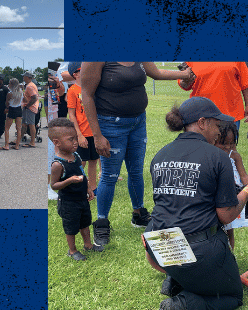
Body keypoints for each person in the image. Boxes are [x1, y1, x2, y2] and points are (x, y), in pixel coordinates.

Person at [144, 97, 248, 310]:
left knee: (196, 274)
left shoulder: (160, 155)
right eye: (216, 125)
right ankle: (181, 305)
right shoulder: (217, 157)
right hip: (198, 249)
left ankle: (177, 279)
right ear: (202, 122)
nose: (217, 131)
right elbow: (226, 215)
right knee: (232, 296)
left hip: (158, 243)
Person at [77, 62, 195, 247]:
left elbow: (156, 72)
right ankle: (101, 223)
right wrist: (97, 136)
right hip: (110, 123)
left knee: (136, 171)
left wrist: (185, 74)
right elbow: (87, 95)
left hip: (138, 122)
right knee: (109, 175)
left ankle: (138, 214)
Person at [48, 118, 102, 261]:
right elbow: (53, 185)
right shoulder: (57, 165)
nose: (75, 142)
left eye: (75, 138)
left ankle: (88, 245)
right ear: (57, 142)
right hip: (68, 203)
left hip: (81, 199)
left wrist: (89, 188)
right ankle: (72, 250)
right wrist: (69, 180)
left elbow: (82, 174)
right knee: (71, 227)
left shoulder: (76, 156)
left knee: (85, 222)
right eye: (70, 139)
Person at [64, 69, 101, 195]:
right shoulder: (72, 90)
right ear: (75, 74)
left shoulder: (92, 87)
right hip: (82, 133)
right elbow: (72, 114)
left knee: (93, 160)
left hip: (94, 131)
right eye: (81, 70)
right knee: (81, 162)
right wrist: (79, 135)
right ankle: (75, 186)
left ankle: (93, 187)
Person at [22, 77, 41, 145]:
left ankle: (32, 142)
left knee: (31, 124)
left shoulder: (30, 86)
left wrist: (27, 106)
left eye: (24, 77)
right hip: (31, 107)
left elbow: (34, 98)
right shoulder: (31, 85)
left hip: (30, 108)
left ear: (28, 78)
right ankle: (19, 138)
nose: (23, 78)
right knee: (24, 124)